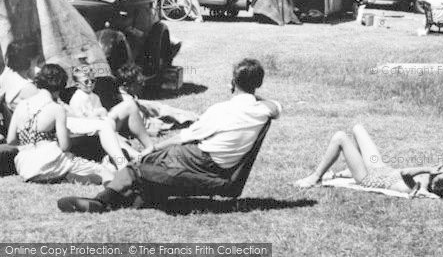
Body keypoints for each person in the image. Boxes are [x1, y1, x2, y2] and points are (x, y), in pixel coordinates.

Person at [57, 58, 282, 213]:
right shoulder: (264, 110)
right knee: (151, 165)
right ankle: (131, 198)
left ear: (233, 83)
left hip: (201, 159)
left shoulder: (222, 110)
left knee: (141, 163)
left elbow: (185, 135)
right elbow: (275, 105)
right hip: (220, 164)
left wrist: (155, 147)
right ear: (258, 84)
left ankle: (101, 201)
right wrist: (252, 94)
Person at [294, 124, 443, 199]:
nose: (439, 168)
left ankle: (315, 177)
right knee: (357, 128)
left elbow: (404, 173)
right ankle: (350, 169)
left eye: (440, 171)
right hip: (378, 166)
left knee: (340, 137)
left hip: (367, 177)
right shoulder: (429, 180)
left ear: (437, 179)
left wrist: (430, 168)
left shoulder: (417, 187)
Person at [6, 64, 115, 184]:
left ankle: (70, 176)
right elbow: (65, 146)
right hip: (50, 162)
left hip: (25, 167)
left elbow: (11, 140)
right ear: (60, 86)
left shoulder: (21, 105)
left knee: (74, 168)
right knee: (103, 170)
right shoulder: (56, 108)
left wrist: (30, 141)